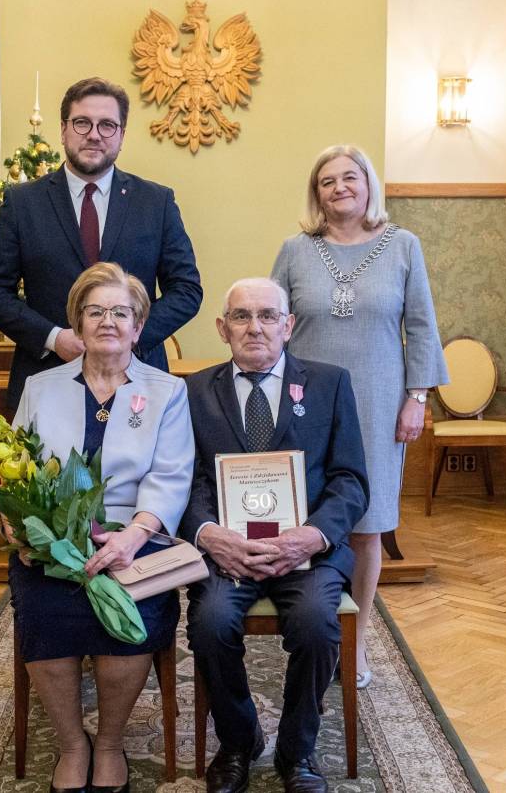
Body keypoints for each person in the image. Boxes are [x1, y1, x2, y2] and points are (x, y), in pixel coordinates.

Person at [4, 263, 194, 792]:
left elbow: (171, 476)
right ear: (77, 324)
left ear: (139, 326)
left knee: (131, 618)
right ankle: (73, 744)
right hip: (51, 540)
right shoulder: (40, 387)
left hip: (136, 537)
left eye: (120, 312)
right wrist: (19, 524)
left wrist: (133, 537)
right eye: (95, 312)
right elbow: (12, 466)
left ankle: (109, 742)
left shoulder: (167, 391)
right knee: (46, 612)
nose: (108, 321)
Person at [179, 278, 369, 793]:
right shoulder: (193, 391)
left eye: (267, 316)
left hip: (307, 553)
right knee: (210, 623)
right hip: (228, 554)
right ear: (222, 329)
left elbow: (350, 480)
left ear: (288, 326)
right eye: (241, 316)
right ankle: (239, 742)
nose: (255, 327)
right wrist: (209, 534)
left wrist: (313, 535)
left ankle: (296, 751)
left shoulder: (330, 384)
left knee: (315, 625)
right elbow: (187, 480)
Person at [271, 144, 448, 689]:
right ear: (316, 193)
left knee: (367, 526)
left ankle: (358, 639)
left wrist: (417, 397)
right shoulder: (295, 250)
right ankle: (309, 630)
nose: (339, 187)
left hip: (377, 401)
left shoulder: (403, 246)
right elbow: (271, 324)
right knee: (302, 516)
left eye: (350, 177)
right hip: (305, 403)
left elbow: (421, 326)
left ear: (369, 185)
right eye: (327, 181)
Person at [0, 76, 203, 409]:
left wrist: (127, 337)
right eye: (82, 123)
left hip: (137, 383)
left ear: (121, 136)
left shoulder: (156, 202)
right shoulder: (23, 203)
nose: (94, 134)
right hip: (48, 379)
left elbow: (187, 290)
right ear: (63, 130)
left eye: (107, 125)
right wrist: (54, 338)